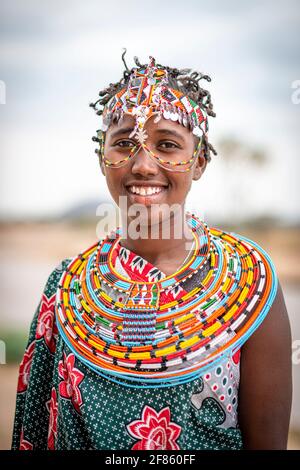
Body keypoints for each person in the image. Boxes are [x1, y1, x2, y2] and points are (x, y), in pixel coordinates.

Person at [11, 51, 292, 451]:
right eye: (124, 143)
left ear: (199, 162)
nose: (143, 164)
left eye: (167, 144)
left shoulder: (250, 282)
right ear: (102, 159)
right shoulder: (66, 287)